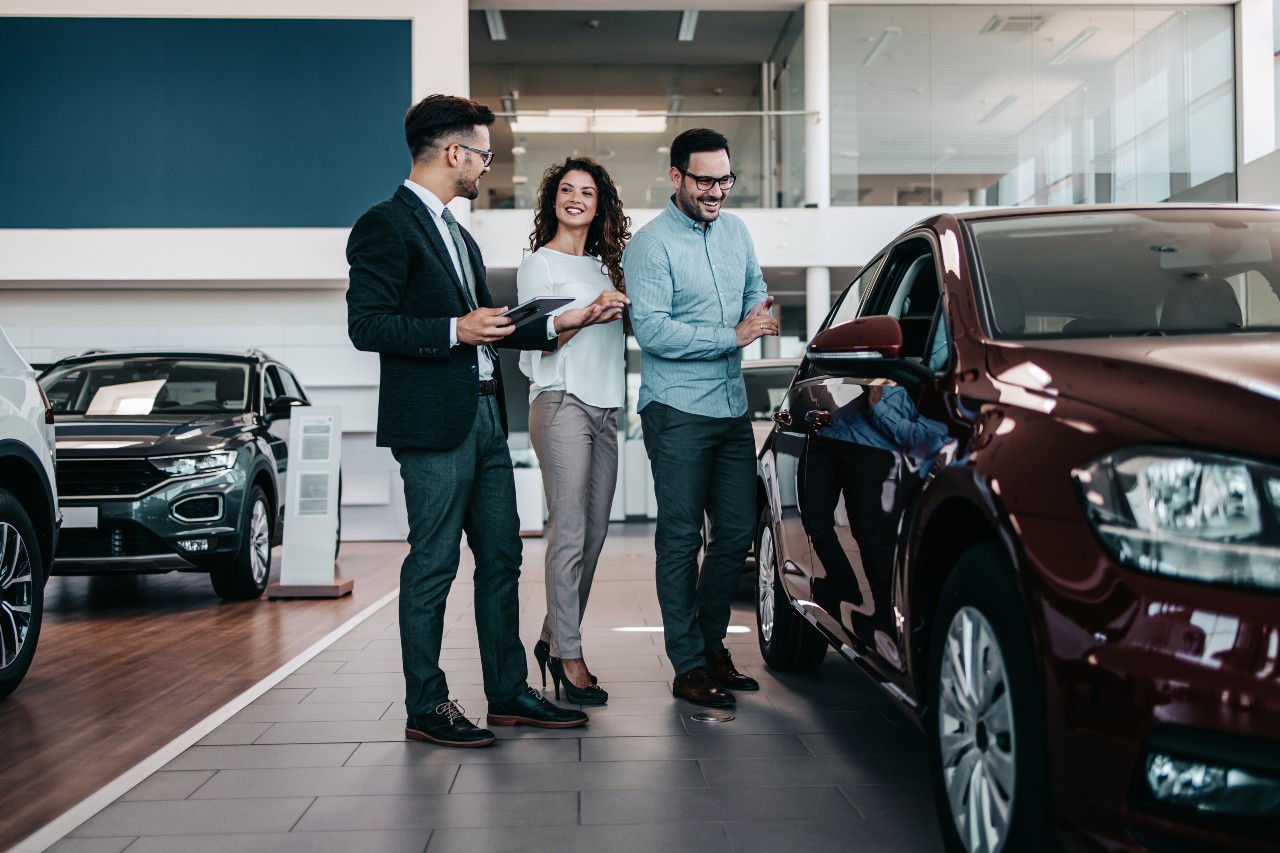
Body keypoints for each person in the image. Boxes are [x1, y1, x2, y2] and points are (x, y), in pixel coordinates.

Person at [346, 94, 606, 749]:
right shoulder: (385, 225)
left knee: (502, 558)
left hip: (487, 418)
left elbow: (494, 327)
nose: (487, 168)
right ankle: (426, 704)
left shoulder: (459, 235)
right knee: (434, 563)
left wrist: (564, 321)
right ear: (454, 152)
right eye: (483, 156)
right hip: (434, 426)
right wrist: (452, 330)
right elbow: (367, 325)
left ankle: (508, 693)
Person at [622, 128, 778, 708]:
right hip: (677, 409)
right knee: (682, 537)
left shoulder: (736, 232)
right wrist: (732, 335)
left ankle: (712, 648)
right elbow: (653, 331)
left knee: (735, 533)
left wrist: (757, 311)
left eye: (725, 179)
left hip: (731, 407)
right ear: (676, 177)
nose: (716, 191)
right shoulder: (651, 245)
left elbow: (755, 287)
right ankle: (687, 664)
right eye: (705, 180)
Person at [518, 158, 630, 706]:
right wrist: (587, 315)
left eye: (587, 191)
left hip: (606, 409)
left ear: (599, 204)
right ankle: (569, 654)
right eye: (566, 189)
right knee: (568, 532)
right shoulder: (539, 265)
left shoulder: (606, 271)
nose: (576, 198)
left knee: (594, 535)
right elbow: (533, 342)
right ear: (553, 200)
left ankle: (550, 638)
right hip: (561, 400)